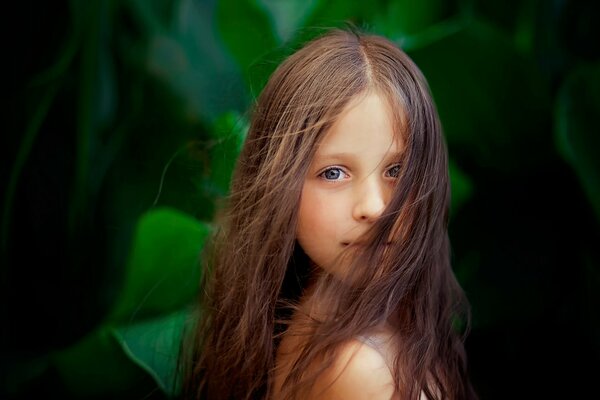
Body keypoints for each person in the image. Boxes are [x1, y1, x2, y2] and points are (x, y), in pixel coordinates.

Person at [180, 27, 478, 400]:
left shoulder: (362, 319)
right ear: (278, 187)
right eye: (333, 173)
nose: (374, 207)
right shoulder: (356, 368)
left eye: (396, 171)